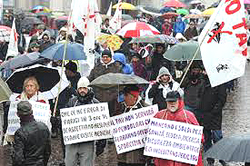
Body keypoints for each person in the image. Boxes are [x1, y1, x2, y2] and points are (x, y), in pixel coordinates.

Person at [153, 91, 203, 166]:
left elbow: (199, 136)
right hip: (165, 160)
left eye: (174, 101)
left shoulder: (188, 116)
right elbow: (152, 134)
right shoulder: (159, 115)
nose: (172, 103)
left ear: (179, 101)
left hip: (183, 161)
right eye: (169, 101)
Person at [65, 76, 105, 166]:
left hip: (88, 141)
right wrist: (58, 120)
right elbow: (65, 119)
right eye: (80, 88)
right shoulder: (72, 102)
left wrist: (102, 140)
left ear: (89, 89)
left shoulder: (95, 103)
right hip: (72, 140)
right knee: (69, 163)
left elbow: (101, 123)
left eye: (84, 88)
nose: (82, 90)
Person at [115, 85, 149, 166]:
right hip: (122, 155)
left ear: (135, 97)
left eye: (126, 95)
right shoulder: (120, 107)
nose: (124, 98)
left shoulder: (146, 109)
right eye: (124, 95)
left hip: (138, 156)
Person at [200, 72, 228, 166]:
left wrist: (214, 111)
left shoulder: (220, 82)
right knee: (207, 139)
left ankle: (222, 158)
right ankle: (210, 160)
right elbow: (199, 95)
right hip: (204, 115)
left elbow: (222, 99)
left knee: (218, 137)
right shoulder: (203, 81)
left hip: (215, 116)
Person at [12, 101, 51, 166]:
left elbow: (18, 158)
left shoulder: (20, 133)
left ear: (18, 114)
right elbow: (47, 151)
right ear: (32, 112)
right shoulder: (43, 126)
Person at [88, 49, 122, 116]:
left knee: (112, 115)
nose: (105, 58)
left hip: (112, 97)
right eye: (103, 57)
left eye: (107, 57)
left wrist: (117, 91)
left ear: (110, 57)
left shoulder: (117, 67)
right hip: (98, 96)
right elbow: (90, 78)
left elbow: (121, 81)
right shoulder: (97, 67)